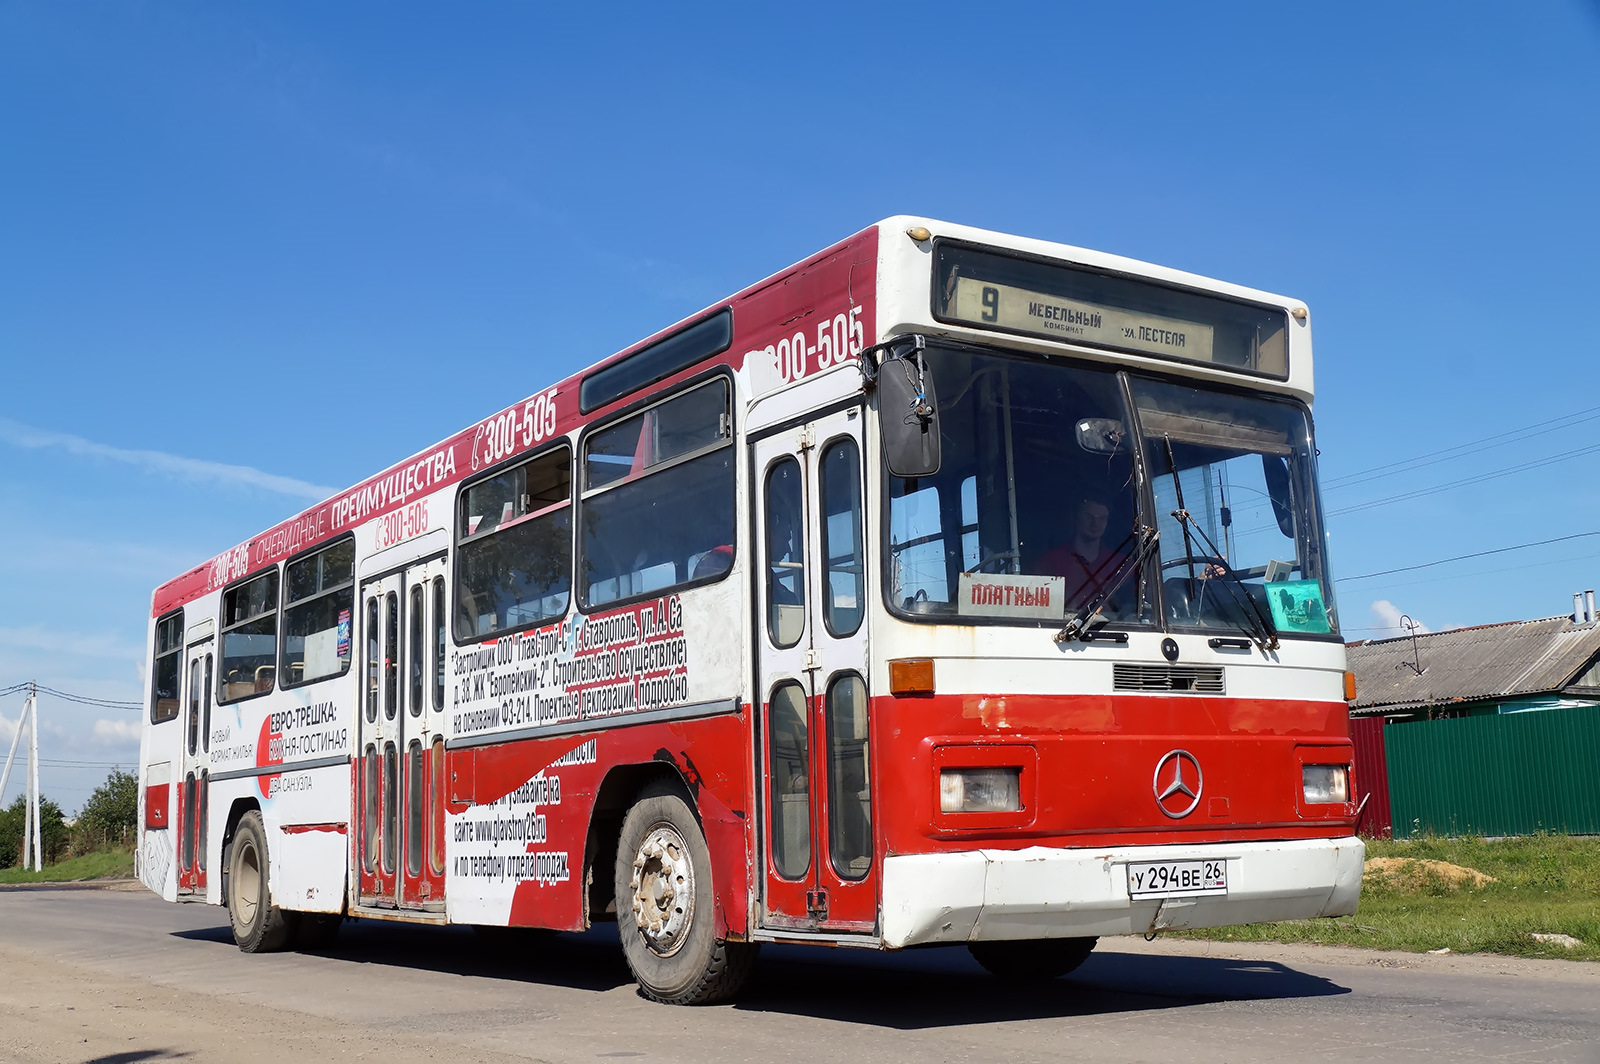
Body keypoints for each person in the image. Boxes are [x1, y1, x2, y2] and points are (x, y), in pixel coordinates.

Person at [1037, 494, 1128, 607]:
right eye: (1088, 516)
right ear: (1075, 517)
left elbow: (1136, 609)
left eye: (1102, 518)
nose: (1095, 523)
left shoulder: (1121, 565)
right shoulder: (1051, 562)